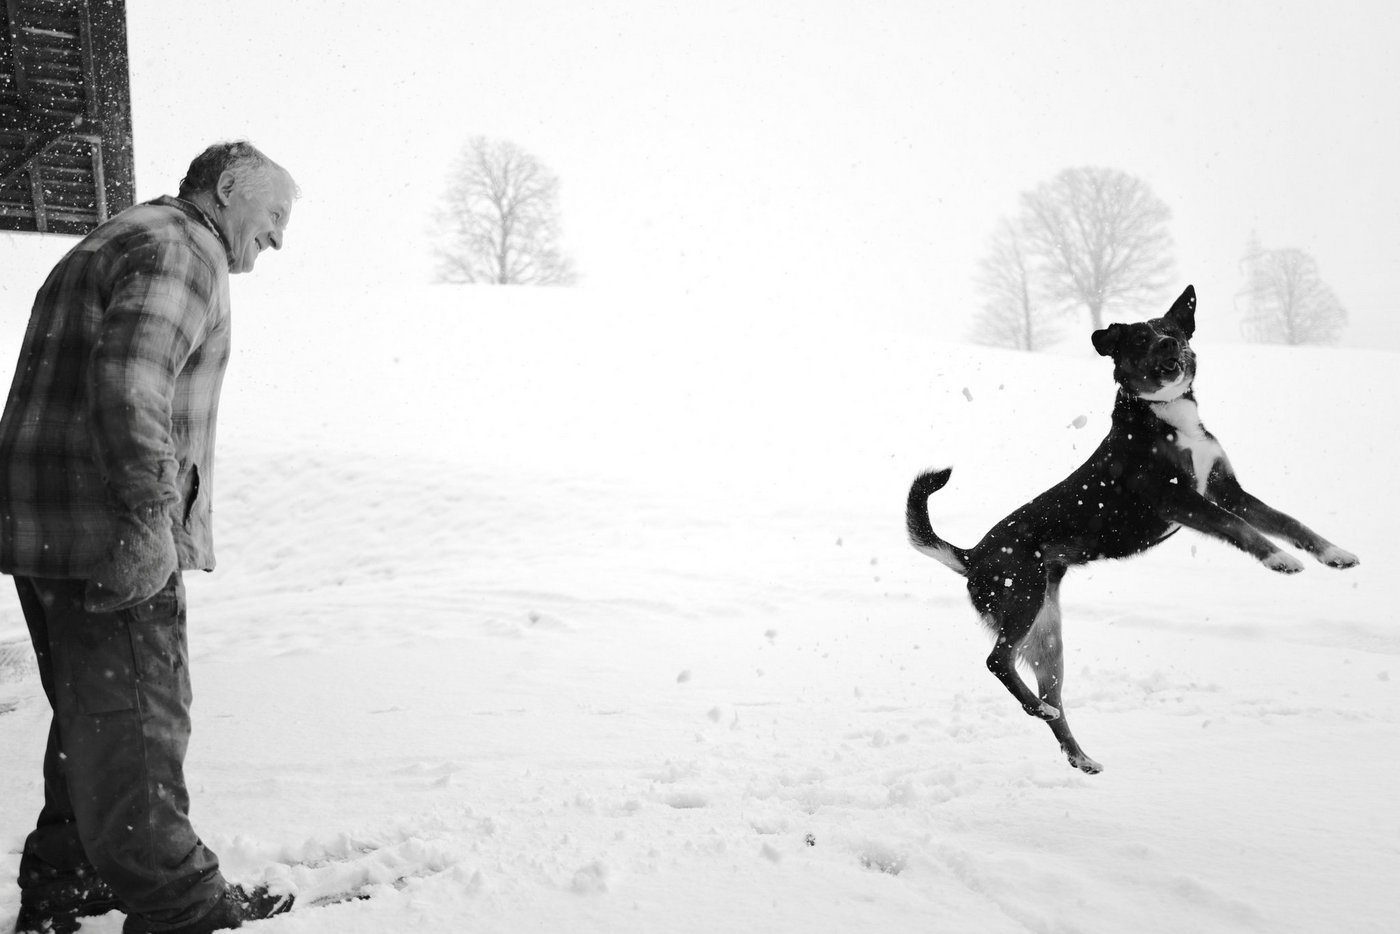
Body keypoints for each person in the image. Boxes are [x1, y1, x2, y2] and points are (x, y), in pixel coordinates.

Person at [0, 141, 298, 934]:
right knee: (139, 720)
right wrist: (145, 518)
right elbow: (131, 383)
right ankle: (180, 903)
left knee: (96, 716)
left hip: (52, 528)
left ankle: (70, 882)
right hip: (109, 529)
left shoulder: (129, 234)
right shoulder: (184, 248)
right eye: (273, 216)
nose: (277, 240)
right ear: (227, 187)